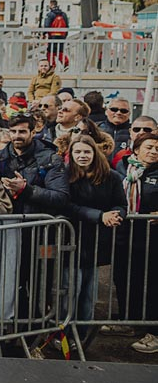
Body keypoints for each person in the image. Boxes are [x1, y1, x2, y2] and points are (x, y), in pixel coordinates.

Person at [64, 135, 126, 341]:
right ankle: (64, 334)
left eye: (87, 151)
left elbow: (121, 204)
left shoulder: (112, 177)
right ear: (71, 154)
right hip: (69, 239)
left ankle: (81, 336)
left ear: (94, 153)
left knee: (88, 295)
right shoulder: (64, 175)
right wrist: (99, 216)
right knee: (70, 292)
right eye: (78, 152)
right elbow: (66, 206)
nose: (82, 156)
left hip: (96, 242)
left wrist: (117, 214)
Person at [116, 132, 158, 353]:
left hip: (153, 237)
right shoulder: (123, 168)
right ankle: (127, 321)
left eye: (157, 149)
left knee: (153, 284)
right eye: (149, 147)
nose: (153, 152)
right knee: (124, 277)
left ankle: (154, 331)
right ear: (136, 149)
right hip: (125, 234)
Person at [0, 114, 68, 216]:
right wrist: (8, 191)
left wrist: (25, 189)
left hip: (39, 224)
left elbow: (60, 198)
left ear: (33, 133)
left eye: (22, 132)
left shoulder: (50, 158)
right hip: (8, 222)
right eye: (13, 131)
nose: (17, 136)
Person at [42, 0, 70, 70]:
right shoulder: (64, 14)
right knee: (60, 51)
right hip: (62, 36)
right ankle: (66, 63)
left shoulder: (50, 14)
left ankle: (52, 66)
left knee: (50, 51)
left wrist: (44, 34)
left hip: (53, 36)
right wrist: (65, 35)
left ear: (51, 5)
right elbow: (67, 26)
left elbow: (47, 26)